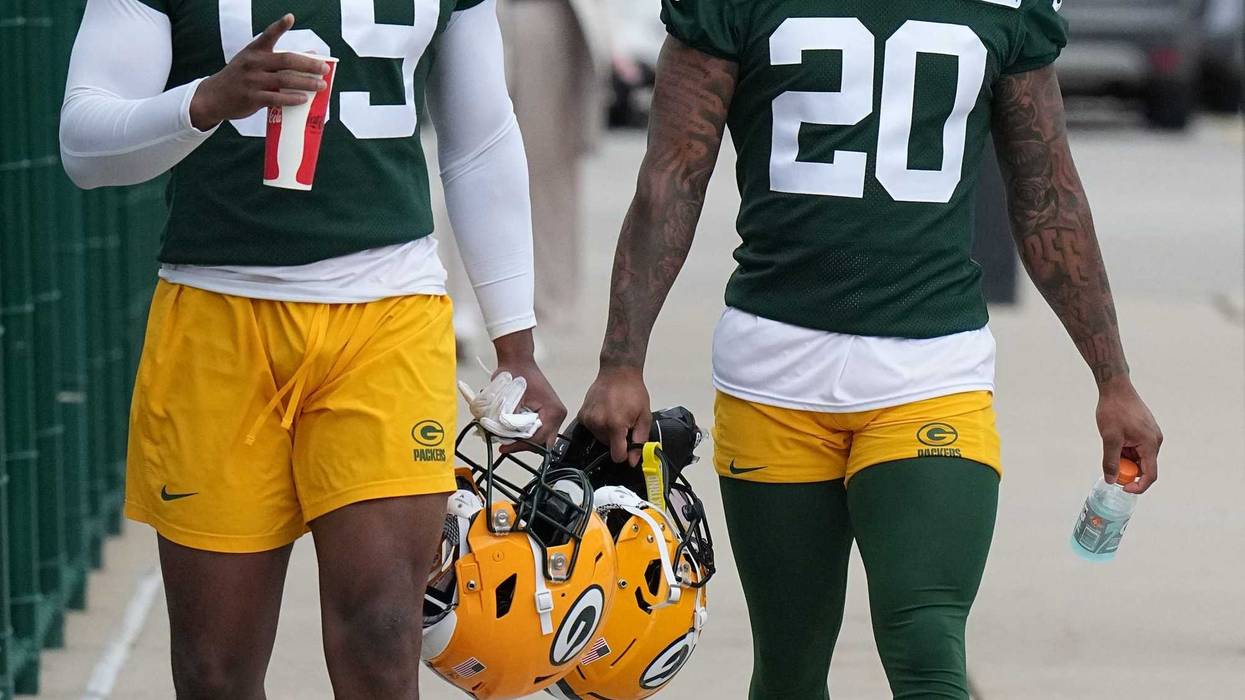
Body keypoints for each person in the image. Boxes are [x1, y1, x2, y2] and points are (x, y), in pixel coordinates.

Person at [577, 1, 1163, 698]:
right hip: (773, 374)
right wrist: (620, 361)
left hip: (930, 368)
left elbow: (1047, 194)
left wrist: (1113, 378)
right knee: (788, 670)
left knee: (926, 651)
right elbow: (672, 176)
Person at [60, 0, 565, 696]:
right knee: (215, 668)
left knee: (382, 635)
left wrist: (516, 345)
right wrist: (204, 101)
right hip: (216, 313)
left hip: (387, 311)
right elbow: (83, 146)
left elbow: (479, 138)